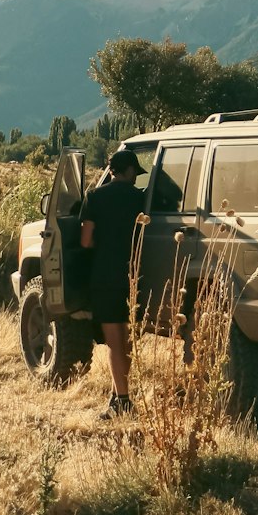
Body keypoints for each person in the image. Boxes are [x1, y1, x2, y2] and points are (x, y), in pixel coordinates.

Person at [79, 147, 146, 416]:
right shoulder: (140, 199)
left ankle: (122, 400)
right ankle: (120, 393)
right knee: (126, 339)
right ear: (128, 171)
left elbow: (85, 241)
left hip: (104, 276)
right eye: (135, 173)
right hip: (134, 275)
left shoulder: (94, 196)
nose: (135, 178)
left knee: (115, 340)